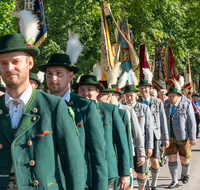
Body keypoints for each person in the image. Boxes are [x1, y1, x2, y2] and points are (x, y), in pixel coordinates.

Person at [0, 33, 84, 189]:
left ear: (30, 63)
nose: (9, 68)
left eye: (15, 61)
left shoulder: (53, 106)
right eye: (3, 63)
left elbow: (73, 165)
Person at [38, 54, 108, 190]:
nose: (53, 78)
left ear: (70, 76)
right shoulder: (38, 106)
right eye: (49, 74)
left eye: (59, 74)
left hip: (78, 183)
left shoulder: (85, 106)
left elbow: (98, 155)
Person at [71, 75, 131, 190]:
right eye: (81, 90)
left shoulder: (109, 110)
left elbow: (122, 143)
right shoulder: (72, 111)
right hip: (82, 174)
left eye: (89, 89)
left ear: (97, 91)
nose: (85, 93)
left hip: (108, 171)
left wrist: (125, 173)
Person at [137, 79, 169, 190]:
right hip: (141, 137)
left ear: (150, 89)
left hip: (155, 136)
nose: (143, 90)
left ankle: (154, 184)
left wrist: (166, 137)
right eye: (141, 88)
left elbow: (163, 120)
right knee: (143, 162)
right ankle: (145, 185)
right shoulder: (137, 102)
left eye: (145, 88)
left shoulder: (157, 102)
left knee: (155, 161)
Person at [164, 87, 196, 188]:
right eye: (169, 96)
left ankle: (185, 174)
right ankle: (174, 181)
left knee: (185, 159)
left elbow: (191, 121)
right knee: (171, 158)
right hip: (169, 137)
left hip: (183, 136)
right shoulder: (165, 105)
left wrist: (192, 137)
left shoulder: (186, 105)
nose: (171, 97)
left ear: (178, 96)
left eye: (173, 95)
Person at [124, 84, 154, 190]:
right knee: (128, 172)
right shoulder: (121, 109)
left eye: (131, 95)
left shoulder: (144, 108)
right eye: (127, 95)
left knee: (141, 173)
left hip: (140, 146)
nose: (129, 98)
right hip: (127, 146)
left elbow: (149, 128)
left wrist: (149, 146)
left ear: (136, 96)